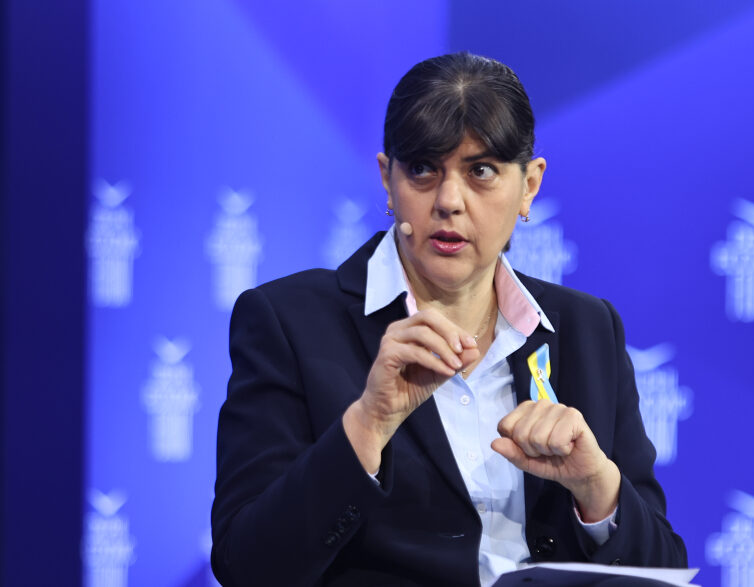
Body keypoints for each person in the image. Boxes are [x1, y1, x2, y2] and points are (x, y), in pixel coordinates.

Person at [211, 52, 687, 587]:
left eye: (481, 171)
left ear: (529, 185)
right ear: (387, 179)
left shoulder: (588, 328)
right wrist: (367, 424)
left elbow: (662, 573)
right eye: (422, 169)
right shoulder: (289, 321)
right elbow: (246, 565)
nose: (448, 201)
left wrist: (597, 489)